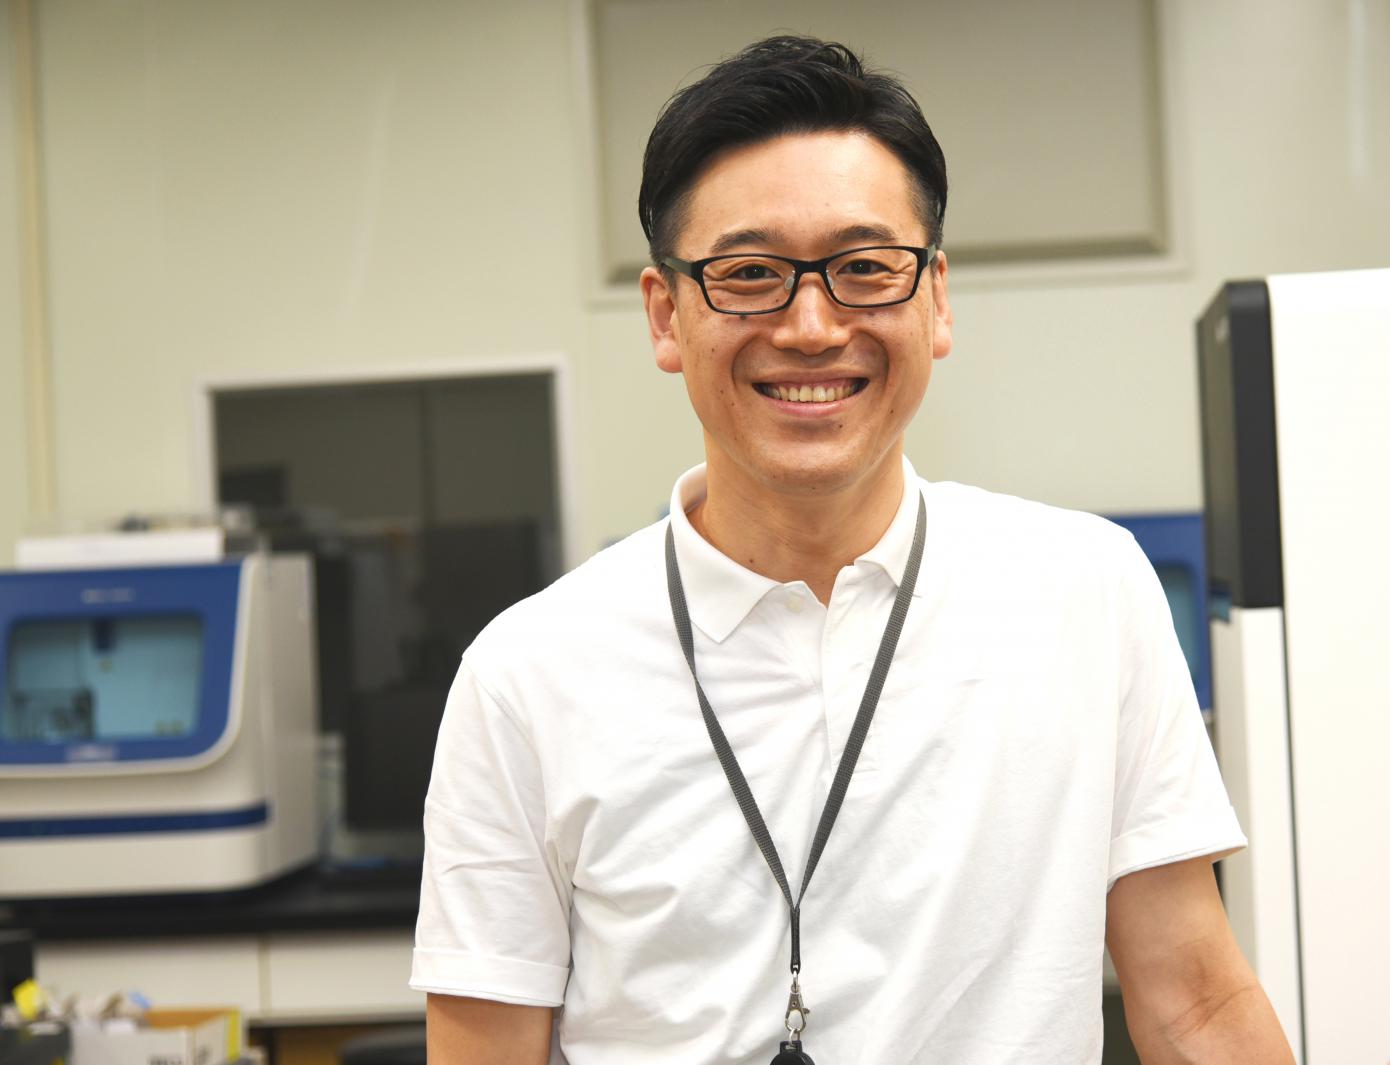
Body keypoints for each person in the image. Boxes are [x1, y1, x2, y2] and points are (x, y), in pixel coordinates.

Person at [412, 35, 1293, 1065]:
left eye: (865, 268)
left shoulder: (1086, 594)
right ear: (665, 315)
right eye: (749, 274)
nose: (811, 325)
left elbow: (1194, 1002)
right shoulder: (526, 675)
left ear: (936, 299)